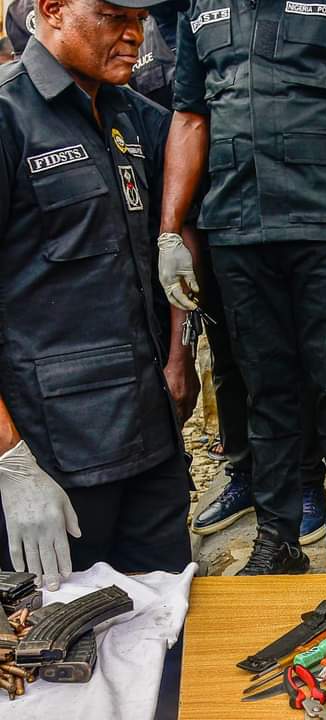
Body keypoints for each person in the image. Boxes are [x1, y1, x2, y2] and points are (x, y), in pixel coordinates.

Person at [159, 0, 326, 574]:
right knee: (266, 391)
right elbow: (189, 118)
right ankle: (277, 539)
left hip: (323, 225)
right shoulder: (200, 8)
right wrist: (169, 233)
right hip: (236, 228)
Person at [0, 0, 193, 591]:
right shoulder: (9, 117)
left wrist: (179, 358)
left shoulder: (134, 116)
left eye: (140, 18)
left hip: (152, 439)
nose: (135, 34)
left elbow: (171, 241)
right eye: (114, 16)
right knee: (60, 635)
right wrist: (10, 461)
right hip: (57, 458)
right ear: (54, 10)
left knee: (166, 618)